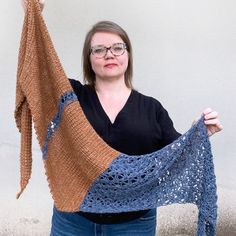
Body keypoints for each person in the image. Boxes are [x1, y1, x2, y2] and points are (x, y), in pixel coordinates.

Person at [21, 1, 223, 235]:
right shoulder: (72, 99)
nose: (109, 54)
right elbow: (38, 70)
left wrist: (197, 134)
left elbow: (176, 155)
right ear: (90, 58)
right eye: (99, 49)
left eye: (118, 47)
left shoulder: (151, 108)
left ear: (128, 55)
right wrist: (33, 16)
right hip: (73, 221)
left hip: (134, 225)